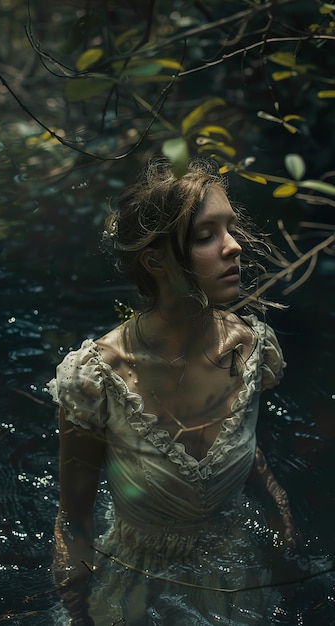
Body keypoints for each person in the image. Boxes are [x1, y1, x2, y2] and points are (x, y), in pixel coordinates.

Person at [48, 159, 301, 626]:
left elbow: (247, 444)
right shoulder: (96, 378)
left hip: (235, 576)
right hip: (135, 582)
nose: (235, 246)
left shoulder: (251, 347)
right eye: (207, 235)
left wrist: (281, 516)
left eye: (230, 228)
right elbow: (74, 521)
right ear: (155, 259)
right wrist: (77, 609)